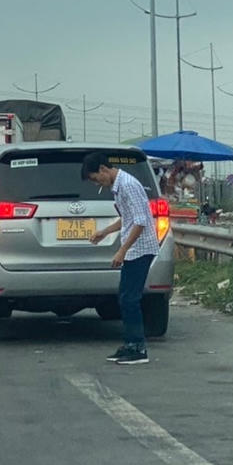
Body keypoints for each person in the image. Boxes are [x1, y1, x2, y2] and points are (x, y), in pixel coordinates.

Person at [84, 152, 161, 366]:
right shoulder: (118, 187)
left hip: (140, 248)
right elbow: (127, 218)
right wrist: (105, 231)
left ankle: (137, 347)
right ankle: (130, 344)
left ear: (103, 169)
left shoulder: (128, 185)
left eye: (95, 178)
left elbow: (141, 221)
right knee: (126, 298)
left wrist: (122, 251)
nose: (97, 183)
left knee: (129, 299)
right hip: (133, 248)